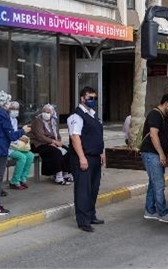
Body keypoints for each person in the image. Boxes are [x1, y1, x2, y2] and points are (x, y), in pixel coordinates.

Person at [0, 91, 30, 216]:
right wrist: (23, 131)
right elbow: (12, 136)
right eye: (8, 101)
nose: (9, 104)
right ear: (3, 103)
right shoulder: (3, 114)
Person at [67, 86, 105, 233]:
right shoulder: (76, 116)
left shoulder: (94, 114)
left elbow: (96, 136)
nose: (93, 101)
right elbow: (75, 138)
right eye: (90, 98)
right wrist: (82, 157)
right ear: (82, 98)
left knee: (93, 189)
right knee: (83, 190)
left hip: (95, 157)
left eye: (95, 98)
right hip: (83, 158)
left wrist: (101, 153)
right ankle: (83, 221)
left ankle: (91, 215)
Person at [140, 93, 168, 223]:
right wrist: (161, 153)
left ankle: (149, 210)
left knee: (153, 183)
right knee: (159, 184)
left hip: (158, 153)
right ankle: (162, 213)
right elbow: (153, 136)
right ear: (166, 102)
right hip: (151, 153)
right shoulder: (155, 114)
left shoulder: (166, 116)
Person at [31, 104, 73, 185]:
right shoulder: (38, 121)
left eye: (48, 112)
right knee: (56, 152)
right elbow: (40, 136)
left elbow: (58, 135)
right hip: (39, 144)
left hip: (52, 142)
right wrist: (52, 142)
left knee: (68, 150)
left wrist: (58, 142)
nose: (46, 113)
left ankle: (66, 173)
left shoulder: (53, 122)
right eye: (44, 111)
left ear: (52, 113)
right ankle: (58, 176)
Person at [7, 101, 35, 190]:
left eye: (16, 109)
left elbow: (15, 133)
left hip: (16, 145)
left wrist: (22, 137)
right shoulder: (5, 119)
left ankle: (23, 179)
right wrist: (19, 137)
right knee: (22, 157)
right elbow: (9, 135)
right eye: (13, 109)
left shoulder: (14, 120)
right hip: (8, 147)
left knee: (30, 156)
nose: (15, 111)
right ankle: (14, 181)